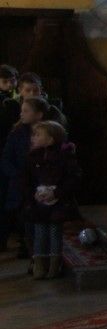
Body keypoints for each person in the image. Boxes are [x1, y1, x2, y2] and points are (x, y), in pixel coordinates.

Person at [20, 120, 79, 280]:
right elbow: (26, 180)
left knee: (54, 232)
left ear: (51, 139)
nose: (33, 138)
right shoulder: (32, 157)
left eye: (38, 135)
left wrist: (56, 193)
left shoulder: (65, 157)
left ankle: (54, 264)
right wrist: (33, 194)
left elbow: (72, 178)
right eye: (33, 135)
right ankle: (40, 264)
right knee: (39, 232)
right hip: (38, 203)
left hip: (58, 202)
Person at [1, 95, 51, 263]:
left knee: (43, 225)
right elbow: (6, 159)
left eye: (26, 111)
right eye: (21, 110)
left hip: (43, 184)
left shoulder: (50, 133)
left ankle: (44, 257)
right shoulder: (16, 134)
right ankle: (34, 258)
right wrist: (17, 174)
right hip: (21, 185)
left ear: (39, 114)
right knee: (27, 224)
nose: (21, 114)